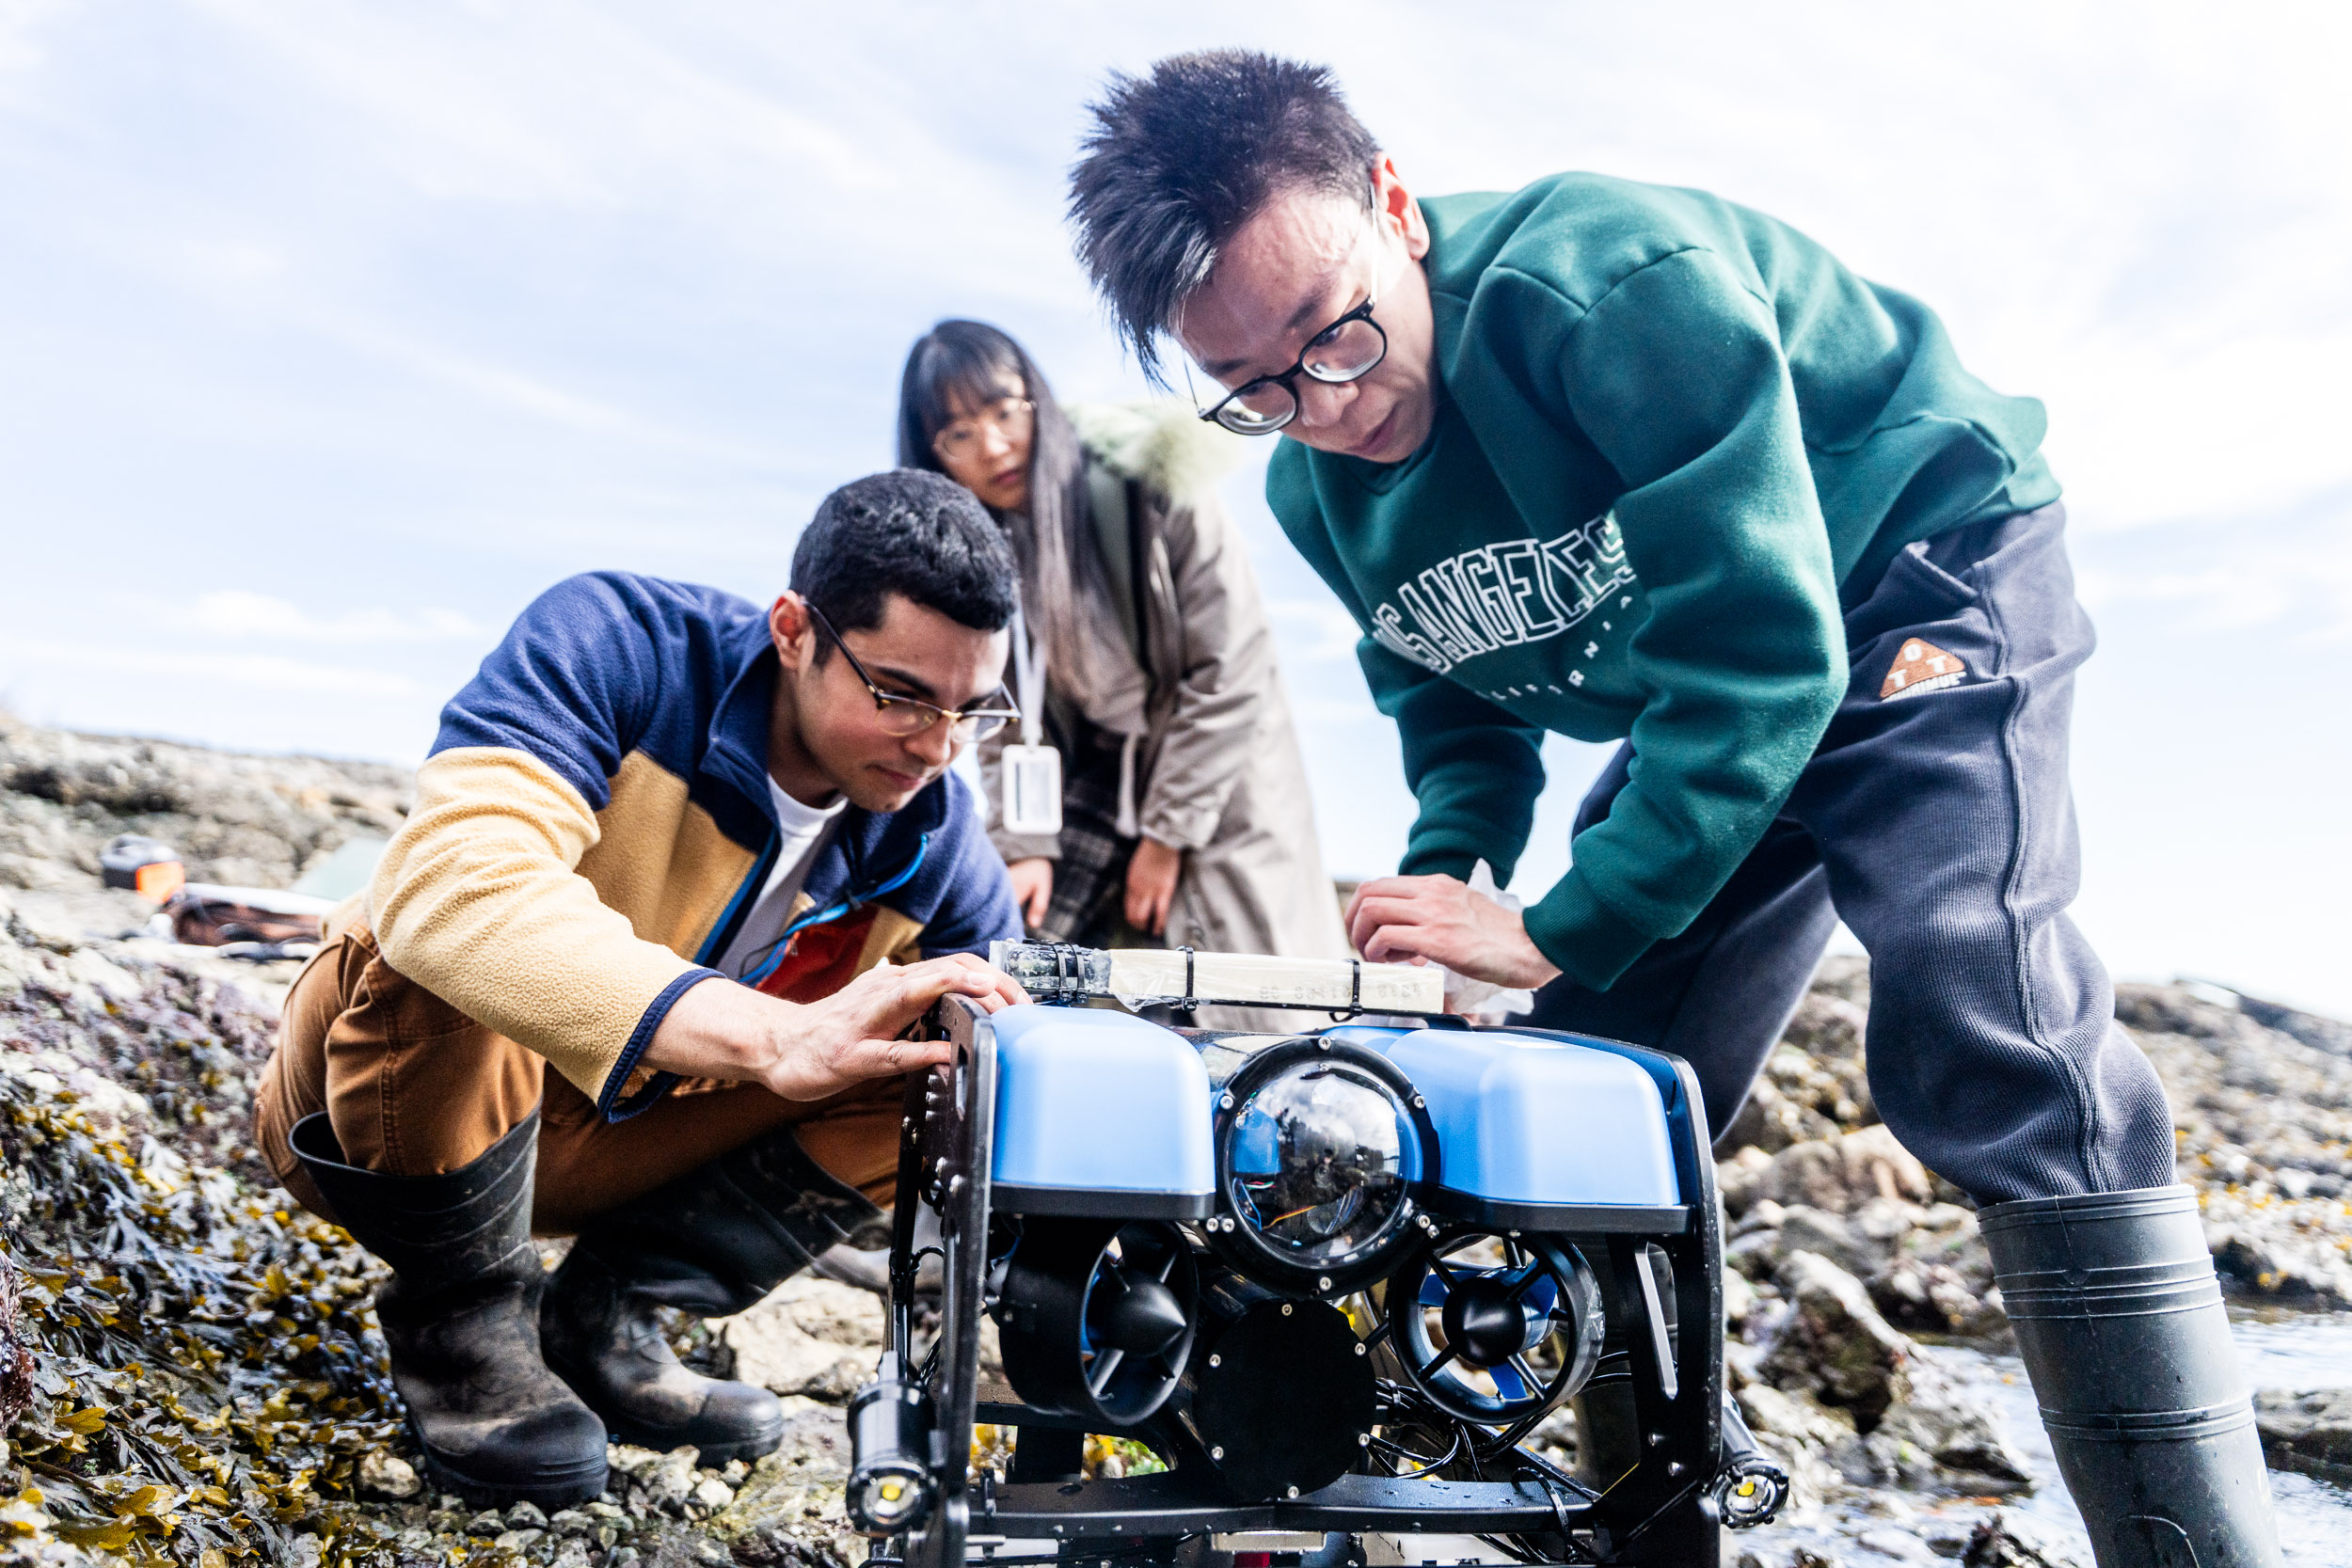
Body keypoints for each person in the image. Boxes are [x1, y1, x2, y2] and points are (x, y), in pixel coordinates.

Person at [1066, 50, 2280, 1568]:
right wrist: (1443, 888)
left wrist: (1559, 921)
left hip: (1913, 571)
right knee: (1606, 1087)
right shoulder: (1318, 489)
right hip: (1710, 686)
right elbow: (1453, 701)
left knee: (1981, 1010)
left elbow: (1766, 658)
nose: (1323, 404)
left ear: (1394, 204)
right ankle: (1647, 1540)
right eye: (1251, 387)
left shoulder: (1613, 284)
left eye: (1332, 333)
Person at [252, 471, 1028, 1509]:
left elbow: (1023, 1061)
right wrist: (767, 1036)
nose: (937, 747)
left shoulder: (938, 836)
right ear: (793, 630)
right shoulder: (619, 642)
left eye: (972, 709)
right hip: (372, 1121)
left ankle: (612, 1311)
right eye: (898, 694)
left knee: (962, 1055)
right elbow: (447, 887)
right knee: (447, 919)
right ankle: (461, 1323)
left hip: (615, 1145)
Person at [897, 319, 1347, 1021]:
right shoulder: (982, 550)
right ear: (934, 456)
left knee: (1236, 1000)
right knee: (1018, 958)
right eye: (958, 434)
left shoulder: (1151, 476)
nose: (992, 445)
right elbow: (1003, 712)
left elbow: (1232, 667)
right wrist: (1025, 845)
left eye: (1004, 410)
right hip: (1093, 775)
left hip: (1214, 770)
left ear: (1036, 398)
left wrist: (1166, 837)